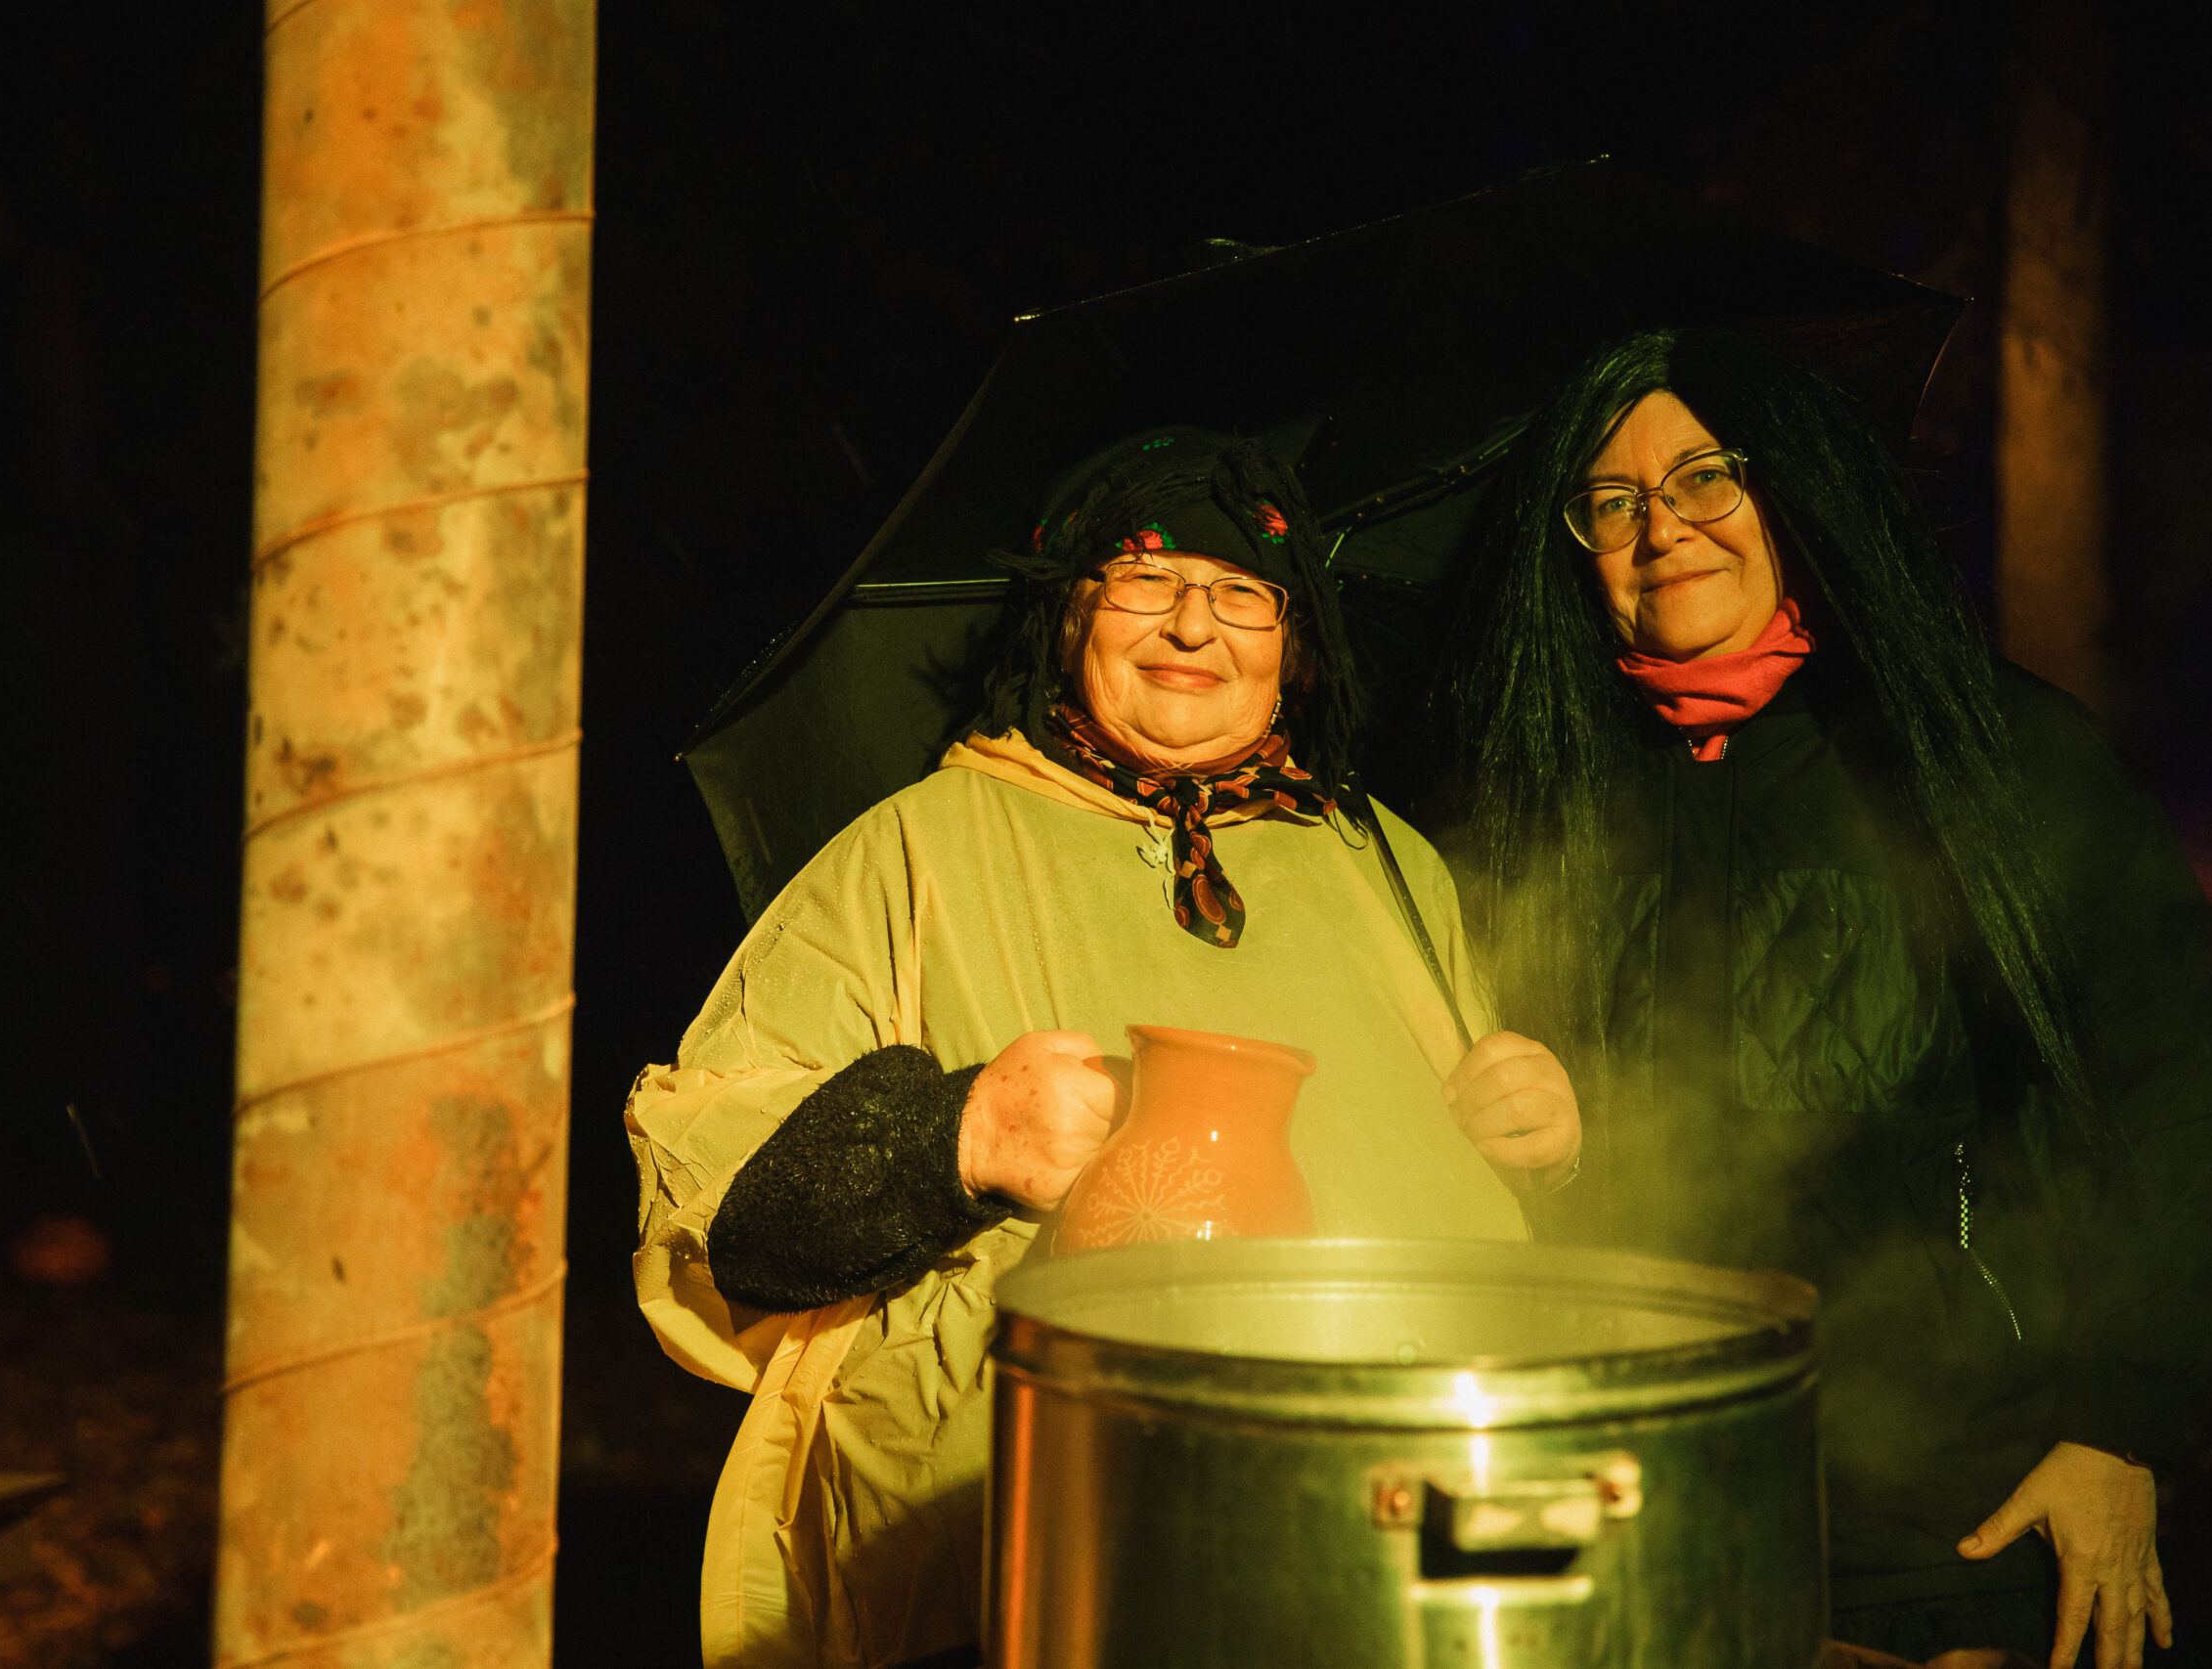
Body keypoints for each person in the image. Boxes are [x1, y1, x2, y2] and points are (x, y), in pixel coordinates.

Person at [626, 428, 1581, 1669]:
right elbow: (715, 1217)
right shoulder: (915, 850)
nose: (1192, 625)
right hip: (1031, 1539)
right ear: (1067, 611)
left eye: (1241, 591)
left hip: (1379, 1536)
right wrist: (953, 1136)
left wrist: (1542, 1147)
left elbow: (1496, 1205)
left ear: (1293, 639)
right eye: (1144, 577)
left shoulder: (1384, 861)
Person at [1437, 329, 2212, 1669]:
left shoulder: (1983, 756)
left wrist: (2116, 1426)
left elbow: (2173, 1099)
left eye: (1706, 476)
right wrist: (1551, 1149)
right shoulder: (1534, 795)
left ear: (1792, 486)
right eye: (1612, 500)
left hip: (1955, 1515)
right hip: (1631, 1496)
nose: (1662, 530)